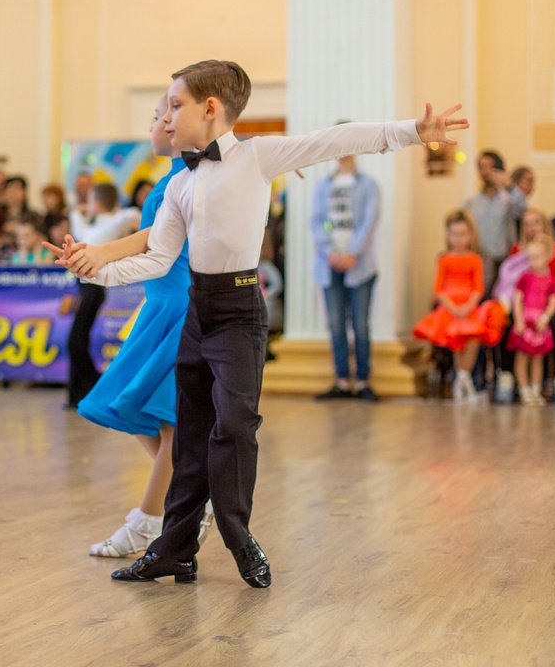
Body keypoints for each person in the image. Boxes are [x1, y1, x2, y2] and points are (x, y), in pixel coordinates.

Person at [61, 59, 465, 588]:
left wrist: (413, 131)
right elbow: (158, 258)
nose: (165, 116)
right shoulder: (182, 182)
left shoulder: (257, 156)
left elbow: (335, 138)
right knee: (190, 439)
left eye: (175, 105)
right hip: (196, 312)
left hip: (239, 312)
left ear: (210, 109)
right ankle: (175, 550)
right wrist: (98, 269)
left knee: (234, 427)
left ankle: (237, 535)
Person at [49, 93, 211, 560]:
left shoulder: (191, 179)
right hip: (158, 305)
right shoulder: (172, 178)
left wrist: (98, 259)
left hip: (179, 306)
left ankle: (149, 521)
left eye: (163, 116)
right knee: (130, 404)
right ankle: (191, 498)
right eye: (156, 116)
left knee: (169, 423)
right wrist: (92, 261)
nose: (155, 125)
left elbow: (151, 243)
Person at [413, 209, 507, 403]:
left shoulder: (475, 259)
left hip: (469, 307)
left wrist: (467, 306)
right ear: (448, 235)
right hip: (449, 309)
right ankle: (463, 384)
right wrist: (453, 308)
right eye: (454, 234)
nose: (458, 238)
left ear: (470, 236)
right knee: (457, 341)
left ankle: (462, 380)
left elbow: (478, 288)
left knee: (472, 339)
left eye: (462, 234)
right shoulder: (444, 259)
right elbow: (438, 289)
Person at [311, 154, 381, 401]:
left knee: (360, 326)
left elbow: (368, 222)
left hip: (361, 267)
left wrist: (352, 253)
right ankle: (341, 381)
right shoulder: (324, 185)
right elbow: (319, 222)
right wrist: (331, 252)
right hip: (329, 266)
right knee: (336, 325)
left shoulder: (368, 185)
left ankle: (363, 381)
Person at [492, 209, 555, 405]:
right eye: (527, 224)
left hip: (549, 308)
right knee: (507, 320)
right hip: (522, 306)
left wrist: (545, 312)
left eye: (536, 222)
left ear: (545, 224)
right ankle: (506, 375)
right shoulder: (517, 252)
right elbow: (509, 284)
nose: (531, 228)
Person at [65, 182, 135, 407]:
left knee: (75, 341)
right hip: (85, 286)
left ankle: (96, 387)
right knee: (77, 340)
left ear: (96, 201)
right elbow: (78, 230)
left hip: (94, 288)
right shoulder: (94, 227)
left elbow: (134, 215)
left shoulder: (116, 220)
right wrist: (79, 211)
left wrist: (115, 212)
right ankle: (77, 395)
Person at [506, 235, 555, 406]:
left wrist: (545, 318)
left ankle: (536, 389)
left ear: (548, 256)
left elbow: (553, 301)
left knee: (538, 358)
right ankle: (524, 389)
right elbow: (517, 299)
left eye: (536, 257)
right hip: (525, 321)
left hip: (539, 324)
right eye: (529, 257)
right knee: (522, 357)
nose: (533, 261)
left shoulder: (551, 280)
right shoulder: (524, 277)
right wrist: (519, 320)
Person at [466, 151, 520, 293]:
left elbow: (522, 209)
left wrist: (509, 185)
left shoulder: (509, 199)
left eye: (489, 167)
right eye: (481, 167)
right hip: (479, 262)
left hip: (503, 262)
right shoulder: (471, 203)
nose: (485, 172)